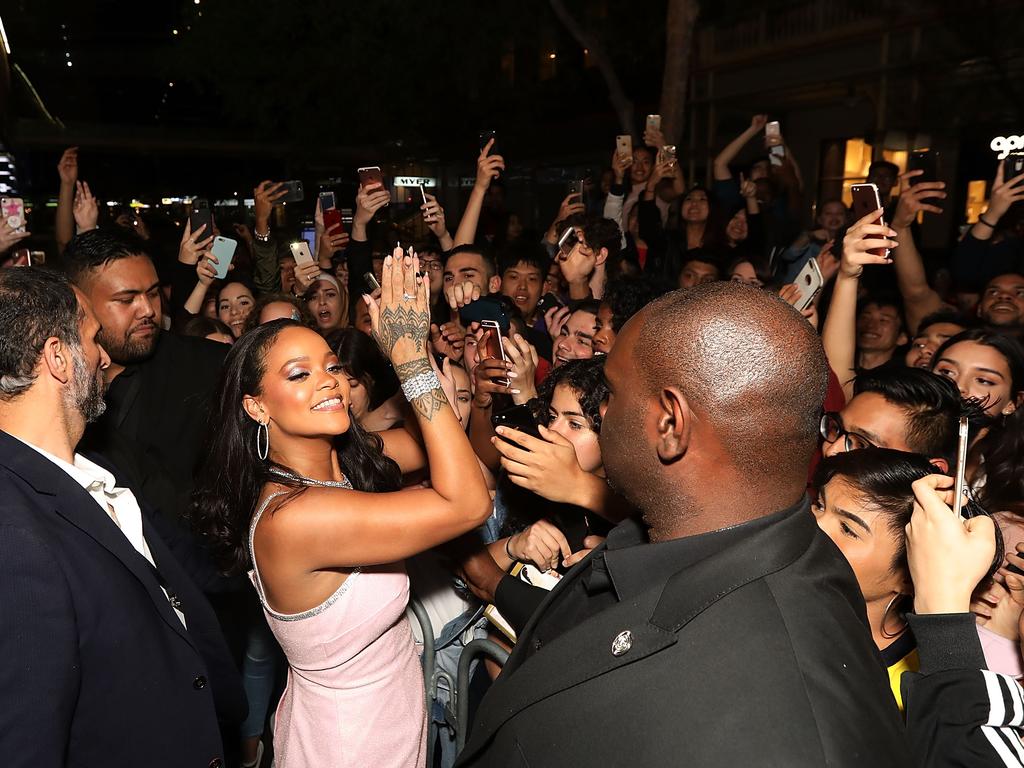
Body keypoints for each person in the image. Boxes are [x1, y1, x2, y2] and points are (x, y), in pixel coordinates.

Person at [457, 281, 909, 766]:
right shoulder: (663, 537)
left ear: (671, 423)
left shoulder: (777, 731)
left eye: (610, 393)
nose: (602, 412)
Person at [192, 248, 491, 767]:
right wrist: (412, 364)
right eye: (298, 375)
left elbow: (447, 450)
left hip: (393, 712)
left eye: (330, 367)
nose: (327, 380)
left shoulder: (346, 461)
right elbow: (468, 503)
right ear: (257, 406)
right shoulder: (296, 516)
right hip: (348, 741)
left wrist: (466, 378)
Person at [0, 267, 245, 767]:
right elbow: (27, 740)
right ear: (58, 357)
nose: (104, 357)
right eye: (92, 339)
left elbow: (187, 573)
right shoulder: (14, 532)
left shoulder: (97, 469)